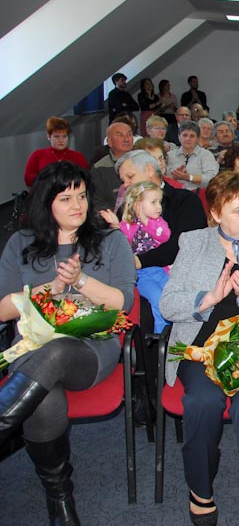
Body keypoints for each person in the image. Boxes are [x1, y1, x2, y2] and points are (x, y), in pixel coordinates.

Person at [0, 162, 136, 525]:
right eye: (65, 198)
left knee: (57, 352)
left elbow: (123, 303)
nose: (77, 205)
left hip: (90, 349)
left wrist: (80, 281)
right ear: (46, 203)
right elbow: (2, 309)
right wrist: (52, 288)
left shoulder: (111, 240)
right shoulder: (20, 243)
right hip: (32, 349)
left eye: (82, 196)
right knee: (44, 397)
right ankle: (60, 498)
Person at [160, 171, 239, 526]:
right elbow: (167, 306)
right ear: (216, 213)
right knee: (202, 402)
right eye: (238, 210)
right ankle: (201, 489)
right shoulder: (193, 243)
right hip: (199, 345)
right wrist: (209, 298)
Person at [119, 181, 171, 333]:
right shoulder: (127, 225)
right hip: (141, 275)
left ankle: (173, 332)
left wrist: (146, 221)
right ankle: (161, 334)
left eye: (159, 202)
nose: (159, 207)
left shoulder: (158, 223)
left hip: (161, 270)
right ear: (138, 205)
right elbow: (123, 243)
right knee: (157, 298)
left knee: (171, 296)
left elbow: (164, 236)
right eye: (153, 202)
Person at [24, 117, 88, 187]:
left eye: (64, 136)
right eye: (57, 136)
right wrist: (48, 179)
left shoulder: (78, 157)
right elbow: (28, 179)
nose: (61, 140)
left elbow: (86, 179)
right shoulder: (38, 155)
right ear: (49, 137)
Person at [166, 121, 220, 190]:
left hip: (197, 193)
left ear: (198, 138)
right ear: (179, 137)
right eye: (184, 135)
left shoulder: (206, 155)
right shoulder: (169, 155)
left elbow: (212, 178)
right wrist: (173, 177)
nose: (187, 139)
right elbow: (161, 177)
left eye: (192, 136)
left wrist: (190, 177)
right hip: (172, 193)